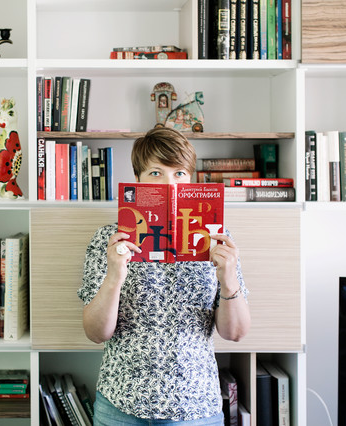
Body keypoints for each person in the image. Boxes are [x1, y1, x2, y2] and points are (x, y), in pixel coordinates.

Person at [77, 127, 251, 425]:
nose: (170, 184)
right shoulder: (109, 239)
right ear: (138, 181)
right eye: (156, 173)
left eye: (180, 173)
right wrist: (115, 276)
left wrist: (228, 278)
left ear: (192, 181)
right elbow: (96, 333)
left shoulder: (217, 240)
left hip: (196, 407)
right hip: (121, 405)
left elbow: (234, 333)